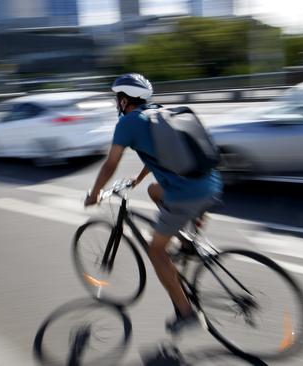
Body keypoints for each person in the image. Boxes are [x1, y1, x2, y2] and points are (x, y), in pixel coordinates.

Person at [84, 73, 223, 334]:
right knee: (154, 190)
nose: (117, 103)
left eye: (118, 98)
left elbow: (111, 163)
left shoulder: (128, 124)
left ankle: (185, 313)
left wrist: (94, 194)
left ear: (124, 100)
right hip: (211, 183)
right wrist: (138, 178)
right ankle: (186, 243)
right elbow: (162, 152)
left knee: (156, 251)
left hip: (187, 194)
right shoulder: (159, 113)